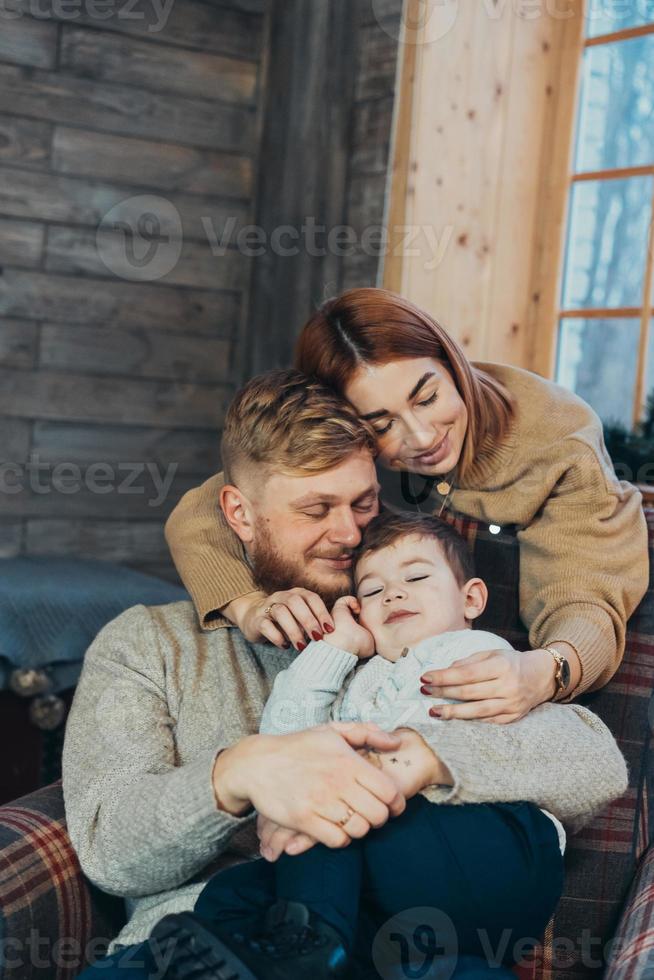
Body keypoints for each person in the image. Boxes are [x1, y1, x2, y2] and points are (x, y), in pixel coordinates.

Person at [66, 371, 628, 980]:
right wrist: (238, 774)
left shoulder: (417, 628)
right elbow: (110, 850)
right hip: (202, 944)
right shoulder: (150, 643)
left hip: (408, 942)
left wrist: (431, 754)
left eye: (363, 502)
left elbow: (588, 757)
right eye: (315, 509)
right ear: (240, 513)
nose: (349, 533)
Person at [150, 510, 627, 980]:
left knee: (327, 799)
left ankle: (308, 948)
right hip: (402, 900)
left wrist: (334, 779)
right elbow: (285, 745)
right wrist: (334, 649)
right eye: (372, 590)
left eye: (416, 577)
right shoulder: (353, 682)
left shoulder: (481, 657)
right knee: (232, 891)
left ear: (472, 599)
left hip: (491, 845)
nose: (393, 592)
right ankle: (298, 953)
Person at [165, 288, 649, 724]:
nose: (421, 438)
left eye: (428, 397)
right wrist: (248, 606)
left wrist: (546, 671)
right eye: (380, 424)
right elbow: (206, 511)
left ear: (451, 362)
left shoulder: (557, 440)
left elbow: (585, 596)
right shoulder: (344, 450)